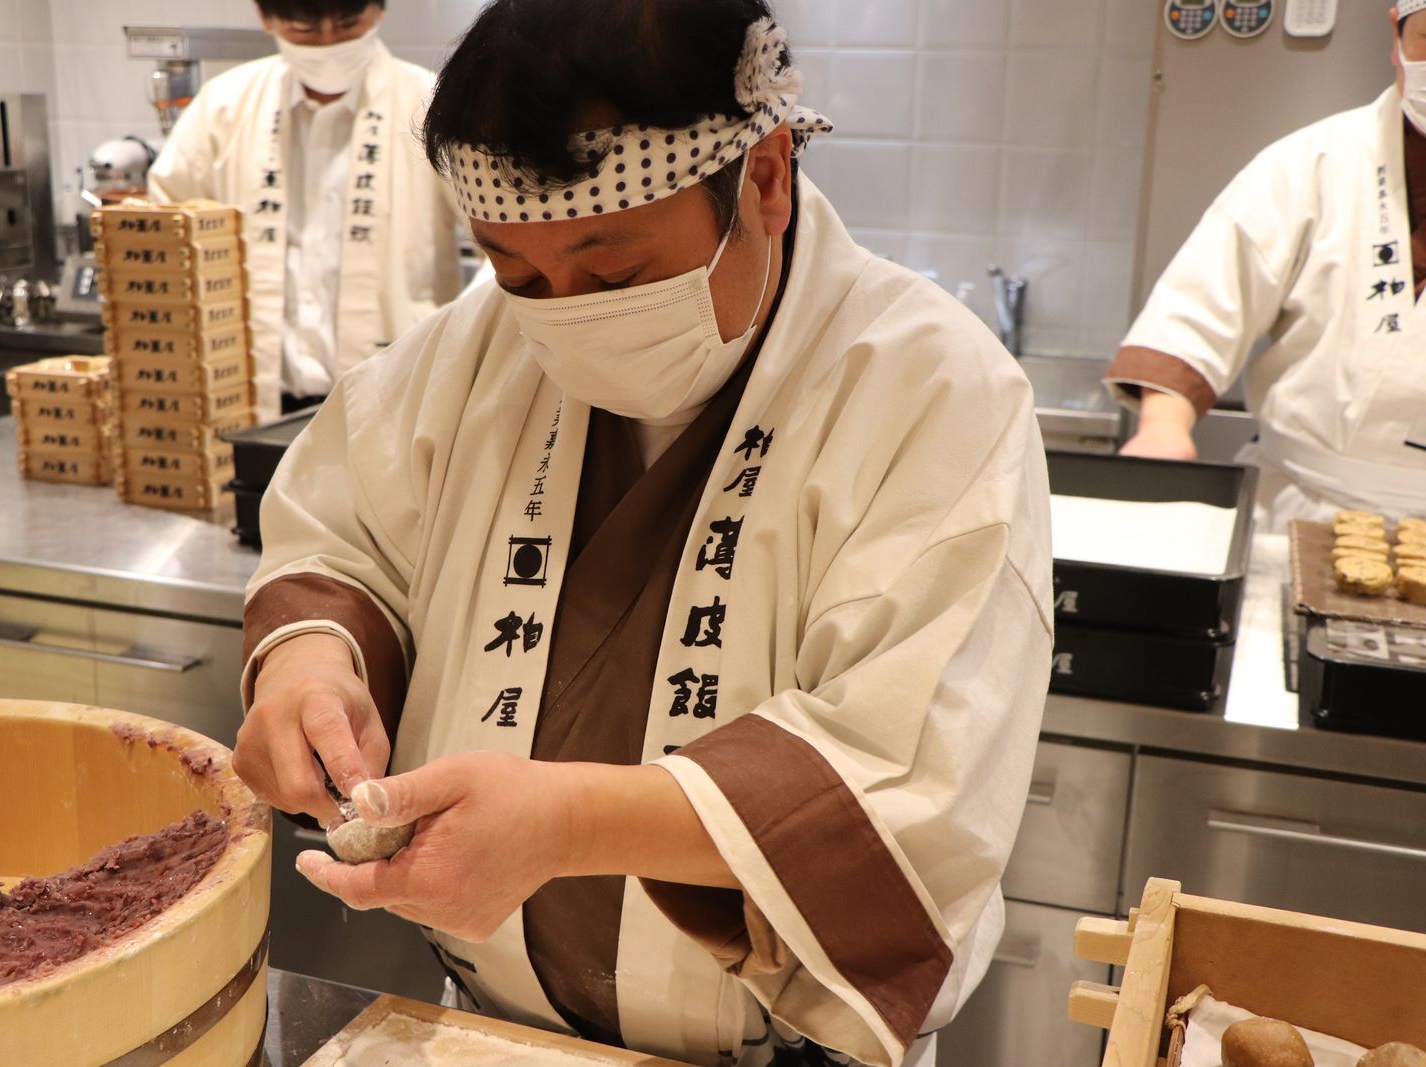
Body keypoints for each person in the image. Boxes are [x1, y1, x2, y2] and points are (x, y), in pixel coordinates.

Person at [233, 2, 1053, 1064]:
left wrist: (568, 821)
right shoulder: (471, 351)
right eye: (518, 274)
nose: (561, 315)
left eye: (612, 274)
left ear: (763, 178)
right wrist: (309, 664)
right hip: (483, 1029)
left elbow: (912, 770)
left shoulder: (929, 389)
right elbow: (342, 538)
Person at [1109, 1, 1426, 528]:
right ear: (1395, 36)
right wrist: (1164, 427)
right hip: (1302, 509)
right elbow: (1201, 306)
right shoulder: (1312, 163)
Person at [148, 0, 464, 421]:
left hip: (398, 396)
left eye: (349, 25)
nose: (329, 42)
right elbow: (164, 233)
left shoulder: (432, 107)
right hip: (254, 400)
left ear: (380, 11)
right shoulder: (223, 106)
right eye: (304, 29)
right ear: (265, 18)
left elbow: (500, 239)